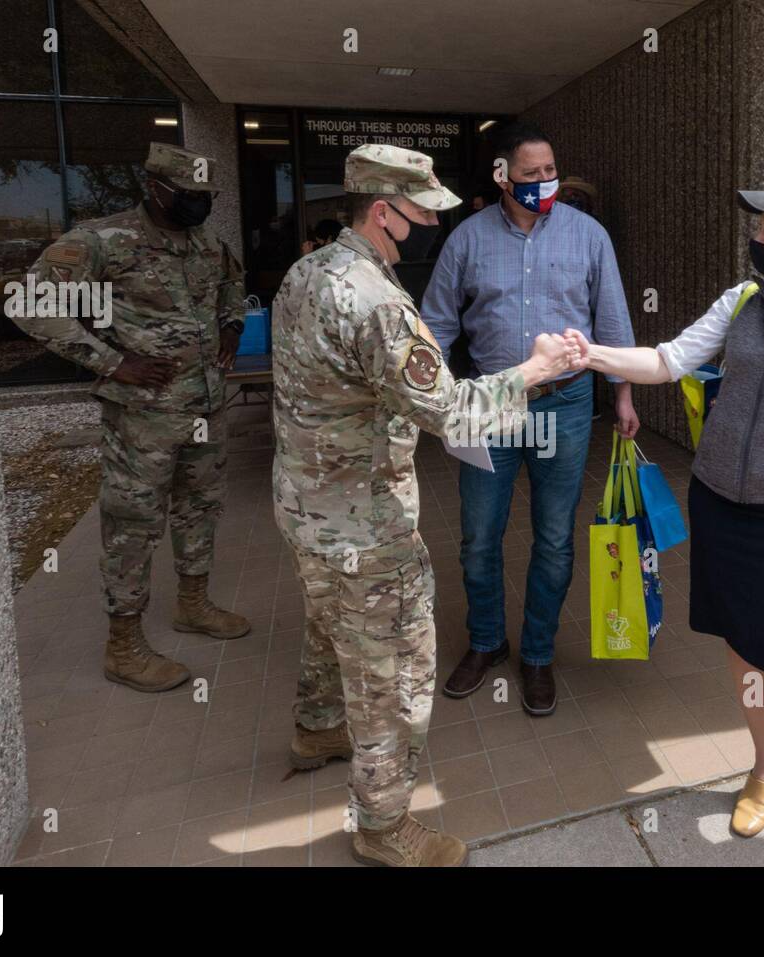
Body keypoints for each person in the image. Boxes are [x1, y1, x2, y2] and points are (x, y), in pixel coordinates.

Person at [564, 178, 764, 867]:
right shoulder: (742, 302)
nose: (759, 243)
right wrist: (589, 353)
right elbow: (667, 360)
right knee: (743, 643)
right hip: (720, 502)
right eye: (760, 231)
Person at [272, 143, 577, 867]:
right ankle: (381, 826)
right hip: (367, 523)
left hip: (305, 509)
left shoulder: (305, 272)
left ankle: (316, 728)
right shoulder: (378, 302)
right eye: (420, 214)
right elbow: (455, 414)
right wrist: (534, 371)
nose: (430, 228)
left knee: (327, 624)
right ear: (383, 212)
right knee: (393, 675)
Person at [13, 142, 251, 693]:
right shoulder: (102, 240)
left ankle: (193, 604)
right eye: (191, 195)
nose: (201, 205)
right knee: (133, 525)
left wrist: (233, 325)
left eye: (207, 197)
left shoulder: (206, 242)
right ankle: (123, 645)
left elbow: (232, 286)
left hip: (205, 407)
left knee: (200, 508)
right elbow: (29, 304)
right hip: (143, 418)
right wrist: (112, 361)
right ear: (156, 188)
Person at [421, 122, 638, 716]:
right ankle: (487, 642)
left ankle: (538, 653)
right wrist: (433, 393)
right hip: (487, 404)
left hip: (565, 404)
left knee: (553, 539)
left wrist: (621, 394)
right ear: (502, 176)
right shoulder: (466, 239)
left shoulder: (588, 235)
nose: (544, 183)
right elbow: (436, 322)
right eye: (531, 174)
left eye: (550, 172)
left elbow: (612, 318)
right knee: (478, 538)